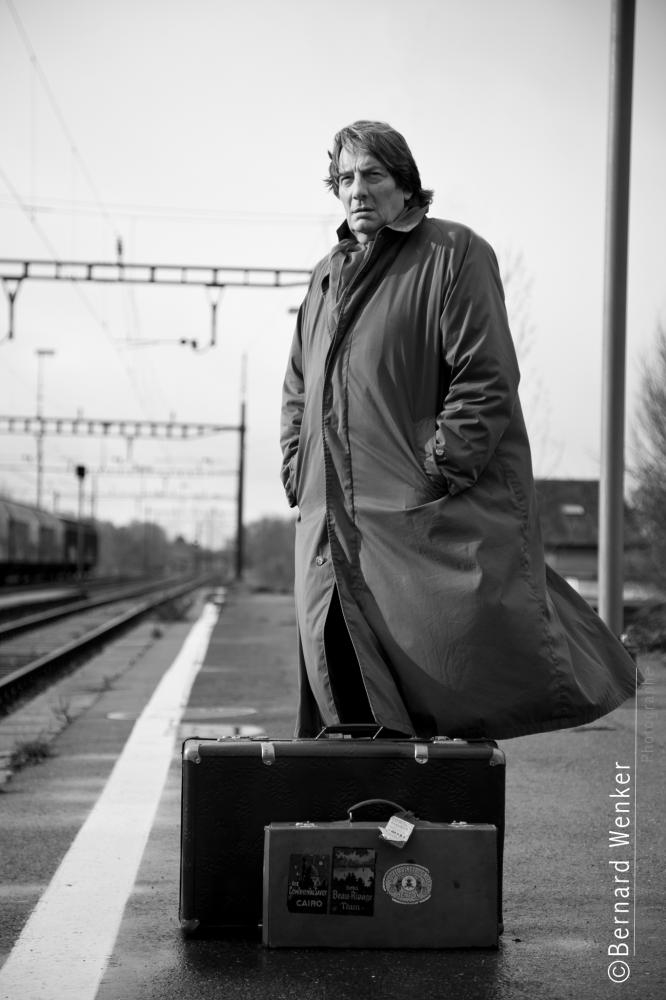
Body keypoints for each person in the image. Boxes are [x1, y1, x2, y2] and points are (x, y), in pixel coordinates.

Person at [280, 119, 638, 739]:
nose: (357, 190)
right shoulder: (325, 277)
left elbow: (486, 375)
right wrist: (297, 469)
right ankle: (375, 803)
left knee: (437, 685)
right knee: (348, 694)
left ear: (405, 183)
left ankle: (423, 803)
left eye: (372, 174)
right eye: (344, 178)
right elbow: (297, 388)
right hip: (327, 529)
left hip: (411, 519)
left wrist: (440, 466)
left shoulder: (454, 252)